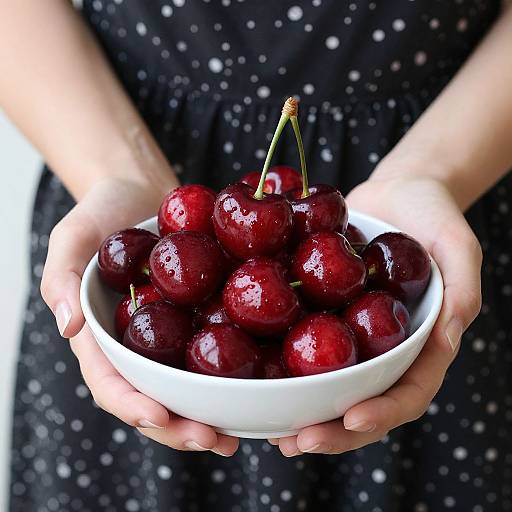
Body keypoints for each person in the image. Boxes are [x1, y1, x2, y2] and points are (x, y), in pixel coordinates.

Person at [1, 1, 511, 510]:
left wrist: (437, 171)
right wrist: (114, 170)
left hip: (451, 141)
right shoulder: (162, 265)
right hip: (105, 134)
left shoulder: (339, 254)